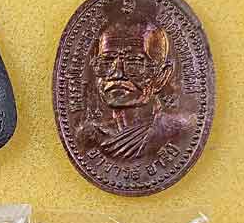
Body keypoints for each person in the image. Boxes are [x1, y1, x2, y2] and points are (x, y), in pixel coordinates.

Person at [76, 20, 185, 159]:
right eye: (106, 62)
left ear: (162, 76)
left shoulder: (175, 130)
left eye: (134, 62)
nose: (117, 74)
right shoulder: (89, 136)